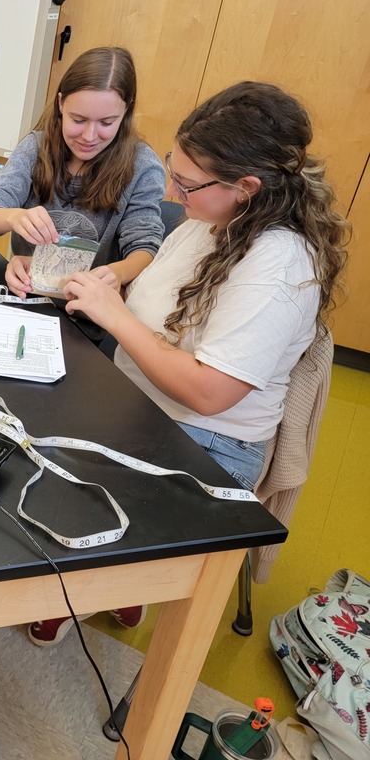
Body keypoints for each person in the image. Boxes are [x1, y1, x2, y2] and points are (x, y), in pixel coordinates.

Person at [31, 81, 349, 647]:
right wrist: (85, 284)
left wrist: (114, 316)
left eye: (186, 183)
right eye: (173, 171)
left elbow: (209, 393)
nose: (171, 192)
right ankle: (117, 584)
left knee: (56, 491)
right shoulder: (211, 222)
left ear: (246, 188)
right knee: (32, 433)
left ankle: (107, 583)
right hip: (139, 403)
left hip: (206, 440)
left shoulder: (277, 265)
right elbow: (157, 311)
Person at [0, 46, 165, 340]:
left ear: (126, 111)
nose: (89, 136)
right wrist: (13, 217)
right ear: (61, 103)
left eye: (106, 123)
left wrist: (118, 273)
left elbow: (146, 248)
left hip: (85, 323)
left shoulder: (142, 166)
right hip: (25, 305)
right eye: (78, 120)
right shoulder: (36, 148)